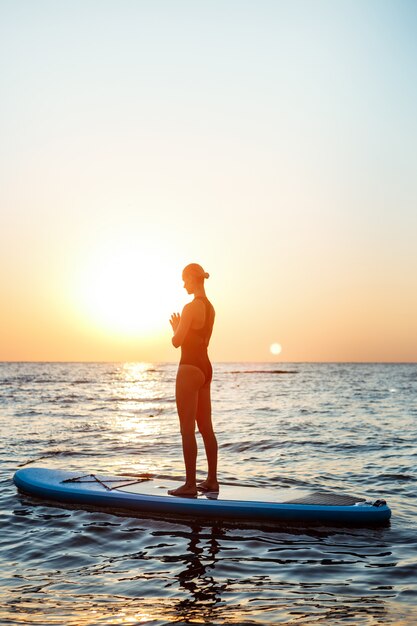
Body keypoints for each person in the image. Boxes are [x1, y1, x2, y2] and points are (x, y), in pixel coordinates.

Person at [168, 263, 219, 497]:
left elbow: (177, 341)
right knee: (206, 428)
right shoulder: (211, 309)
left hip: (189, 368)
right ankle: (211, 480)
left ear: (193, 278)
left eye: (185, 279)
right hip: (205, 368)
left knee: (187, 429)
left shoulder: (189, 308)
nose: (183, 284)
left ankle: (189, 485)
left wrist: (177, 327)